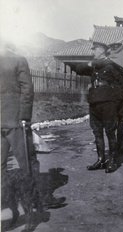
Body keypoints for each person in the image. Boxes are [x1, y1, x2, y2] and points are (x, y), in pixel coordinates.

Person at [0, 40, 66, 209]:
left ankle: (6, 198)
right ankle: (40, 198)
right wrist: (24, 116)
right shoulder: (18, 59)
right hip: (15, 119)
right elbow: (27, 88)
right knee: (28, 161)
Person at [75, 41, 123, 173]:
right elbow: (79, 69)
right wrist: (92, 63)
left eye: (94, 50)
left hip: (107, 103)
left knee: (110, 132)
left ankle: (112, 161)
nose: (92, 52)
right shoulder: (94, 66)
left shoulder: (111, 66)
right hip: (94, 102)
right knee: (97, 133)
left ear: (101, 50)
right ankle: (101, 160)